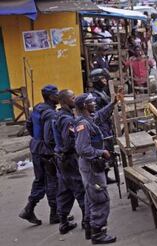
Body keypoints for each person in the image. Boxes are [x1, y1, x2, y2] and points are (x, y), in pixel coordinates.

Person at [74, 92, 120, 244]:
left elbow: (101, 115)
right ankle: (98, 233)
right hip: (91, 167)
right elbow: (82, 149)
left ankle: (90, 228)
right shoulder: (83, 125)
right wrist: (102, 152)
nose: (94, 104)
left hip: (92, 166)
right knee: (100, 198)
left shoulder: (89, 119)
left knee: (91, 198)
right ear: (84, 106)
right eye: (91, 102)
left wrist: (113, 103)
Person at [19, 85, 60, 226]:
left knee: (40, 180)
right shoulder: (50, 114)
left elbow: (29, 125)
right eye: (56, 94)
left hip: (36, 148)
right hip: (46, 151)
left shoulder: (37, 108)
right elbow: (50, 137)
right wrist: (55, 147)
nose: (59, 96)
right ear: (50, 97)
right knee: (52, 181)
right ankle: (55, 214)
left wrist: (37, 139)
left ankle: (29, 209)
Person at [53, 89, 85, 235]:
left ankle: (63, 222)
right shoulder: (67, 120)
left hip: (61, 158)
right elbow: (69, 141)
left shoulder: (59, 116)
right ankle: (88, 221)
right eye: (72, 98)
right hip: (69, 159)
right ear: (65, 101)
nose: (75, 99)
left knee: (64, 191)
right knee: (79, 188)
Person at [89, 69, 117, 185]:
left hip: (106, 125)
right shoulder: (95, 96)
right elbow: (97, 116)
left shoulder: (103, 92)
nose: (105, 81)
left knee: (109, 150)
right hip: (101, 127)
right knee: (104, 151)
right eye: (102, 79)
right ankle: (102, 177)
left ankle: (106, 175)